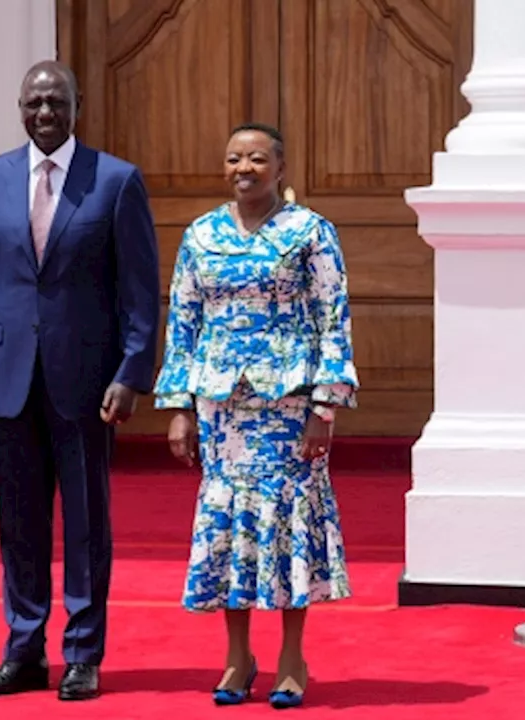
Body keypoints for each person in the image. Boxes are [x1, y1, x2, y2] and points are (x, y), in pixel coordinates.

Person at [0, 60, 160, 702]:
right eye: (34, 103)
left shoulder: (116, 181)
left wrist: (131, 371)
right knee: (19, 523)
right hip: (8, 379)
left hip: (87, 383)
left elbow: (141, 293)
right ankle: (24, 649)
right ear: (19, 107)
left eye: (56, 102)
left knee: (88, 524)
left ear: (78, 105)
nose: (45, 114)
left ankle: (83, 653)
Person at [154, 122, 358, 709]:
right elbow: (184, 322)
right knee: (230, 529)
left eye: (257, 159)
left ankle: (293, 656)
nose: (245, 168)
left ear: (281, 168)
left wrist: (325, 405)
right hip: (222, 410)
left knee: (287, 523)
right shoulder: (202, 234)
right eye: (234, 159)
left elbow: (332, 318)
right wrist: (179, 408)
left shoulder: (310, 232)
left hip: (289, 405)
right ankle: (237, 657)